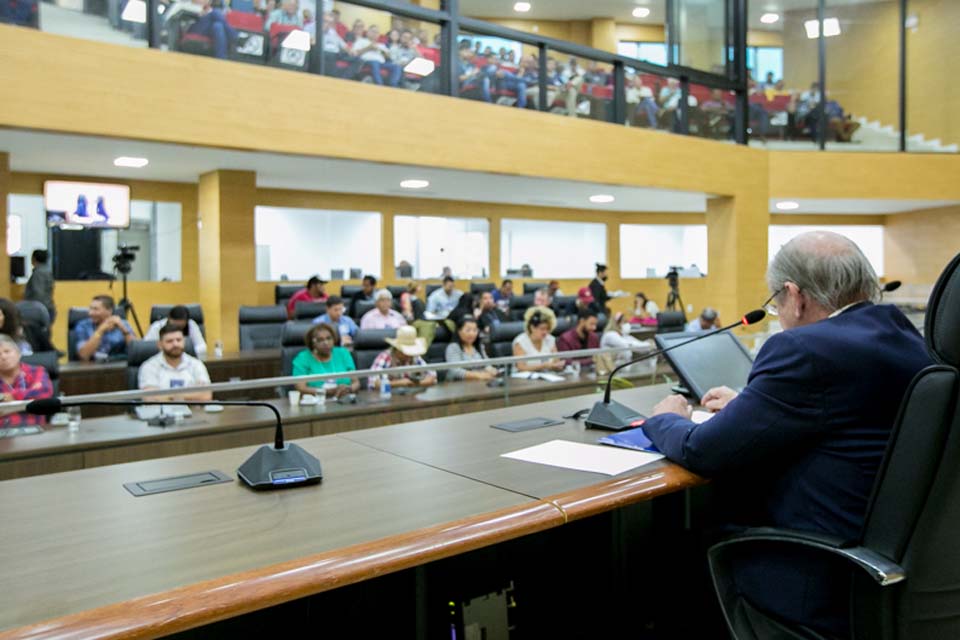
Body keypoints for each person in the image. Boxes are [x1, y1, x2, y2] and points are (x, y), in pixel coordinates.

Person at [640, 231, 932, 638]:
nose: (779, 312)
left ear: (794, 295)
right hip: (899, 563)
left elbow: (701, 450)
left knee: (674, 556)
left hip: (819, 571)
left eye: (776, 302)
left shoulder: (802, 348)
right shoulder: (904, 336)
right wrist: (750, 403)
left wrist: (665, 417)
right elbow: (849, 409)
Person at [138, 323, 212, 401]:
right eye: (170, 341)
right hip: (160, 412)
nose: (175, 344)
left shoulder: (196, 364)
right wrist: (190, 395)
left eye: (179, 340)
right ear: (160, 345)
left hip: (193, 412)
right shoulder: (149, 366)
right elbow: (150, 398)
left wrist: (168, 396)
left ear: (184, 341)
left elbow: (206, 396)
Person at [0, 335, 53, 429]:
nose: (3, 357)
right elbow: (35, 398)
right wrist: (29, 397)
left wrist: (11, 397)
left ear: (18, 353)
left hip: (34, 429)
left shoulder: (37, 371)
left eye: (7, 351)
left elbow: (44, 393)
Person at [292, 323, 358, 398]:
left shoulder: (343, 353)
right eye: (320, 340)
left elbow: (356, 382)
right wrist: (327, 391)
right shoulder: (303, 358)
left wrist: (348, 389)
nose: (326, 343)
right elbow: (301, 388)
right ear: (313, 343)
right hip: (315, 402)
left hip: (344, 399)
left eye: (329, 338)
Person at [369, 325, 436, 389]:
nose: (409, 355)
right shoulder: (385, 357)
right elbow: (374, 383)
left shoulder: (414, 356)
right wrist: (398, 383)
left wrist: (416, 383)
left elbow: (432, 376)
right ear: (398, 349)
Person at [75, 296, 135, 361]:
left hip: (118, 365)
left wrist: (123, 329)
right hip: (92, 367)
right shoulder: (83, 326)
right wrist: (100, 330)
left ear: (109, 311)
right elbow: (84, 356)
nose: (90, 313)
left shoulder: (123, 323)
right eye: (90, 309)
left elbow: (135, 351)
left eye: (95, 309)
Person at [445, 316, 497, 382]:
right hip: (459, 385)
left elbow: (486, 364)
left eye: (475, 330)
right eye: (468, 330)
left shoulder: (479, 346)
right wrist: (478, 375)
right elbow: (455, 371)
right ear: (459, 331)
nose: (472, 333)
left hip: (479, 383)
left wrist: (492, 370)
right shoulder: (453, 347)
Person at [512, 306, 564, 373]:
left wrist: (558, 366)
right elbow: (521, 368)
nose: (545, 332)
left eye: (547, 329)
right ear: (532, 327)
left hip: (549, 377)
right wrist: (543, 366)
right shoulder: (520, 342)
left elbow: (556, 362)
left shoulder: (550, 339)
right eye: (542, 329)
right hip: (525, 380)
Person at [143, 305, 207, 357]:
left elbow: (202, 347)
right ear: (169, 318)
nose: (176, 329)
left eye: (180, 327)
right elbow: (146, 348)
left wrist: (180, 352)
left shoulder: (191, 325)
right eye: (174, 325)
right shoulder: (157, 326)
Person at [24, 249, 56, 324]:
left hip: (40, 311)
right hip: (47, 308)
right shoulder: (47, 271)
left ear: (34, 258)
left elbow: (38, 294)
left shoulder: (39, 273)